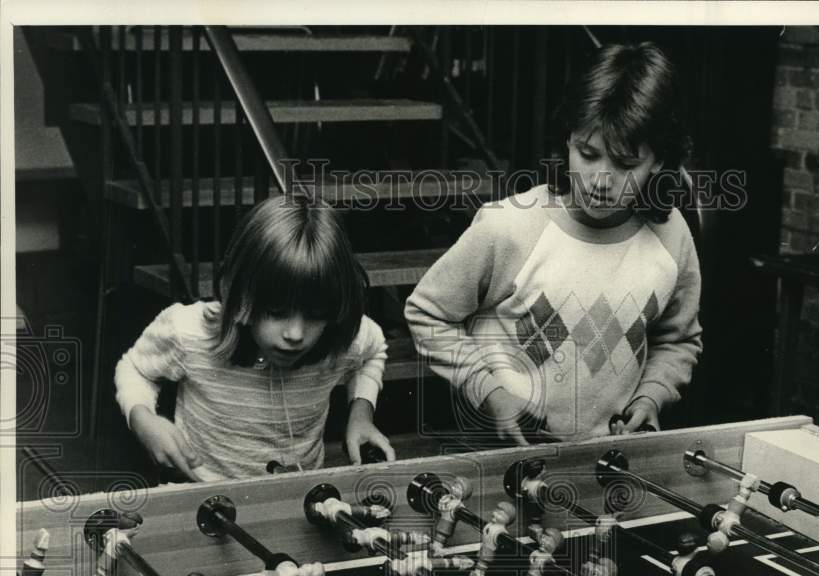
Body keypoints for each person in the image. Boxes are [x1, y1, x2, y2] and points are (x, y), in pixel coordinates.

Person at [405, 41, 702, 445]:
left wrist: (652, 396)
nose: (601, 180)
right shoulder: (510, 225)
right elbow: (427, 314)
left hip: (607, 460)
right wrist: (490, 392)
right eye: (588, 153)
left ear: (660, 161)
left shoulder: (672, 236)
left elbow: (677, 338)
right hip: (502, 453)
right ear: (567, 141)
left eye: (626, 164)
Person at [115, 195, 395, 481]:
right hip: (204, 494)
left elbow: (374, 352)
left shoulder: (345, 334)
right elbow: (134, 369)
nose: (295, 335)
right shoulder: (187, 330)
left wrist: (361, 414)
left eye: (314, 315)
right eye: (276, 312)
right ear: (238, 296)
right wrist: (143, 418)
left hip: (299, 492)